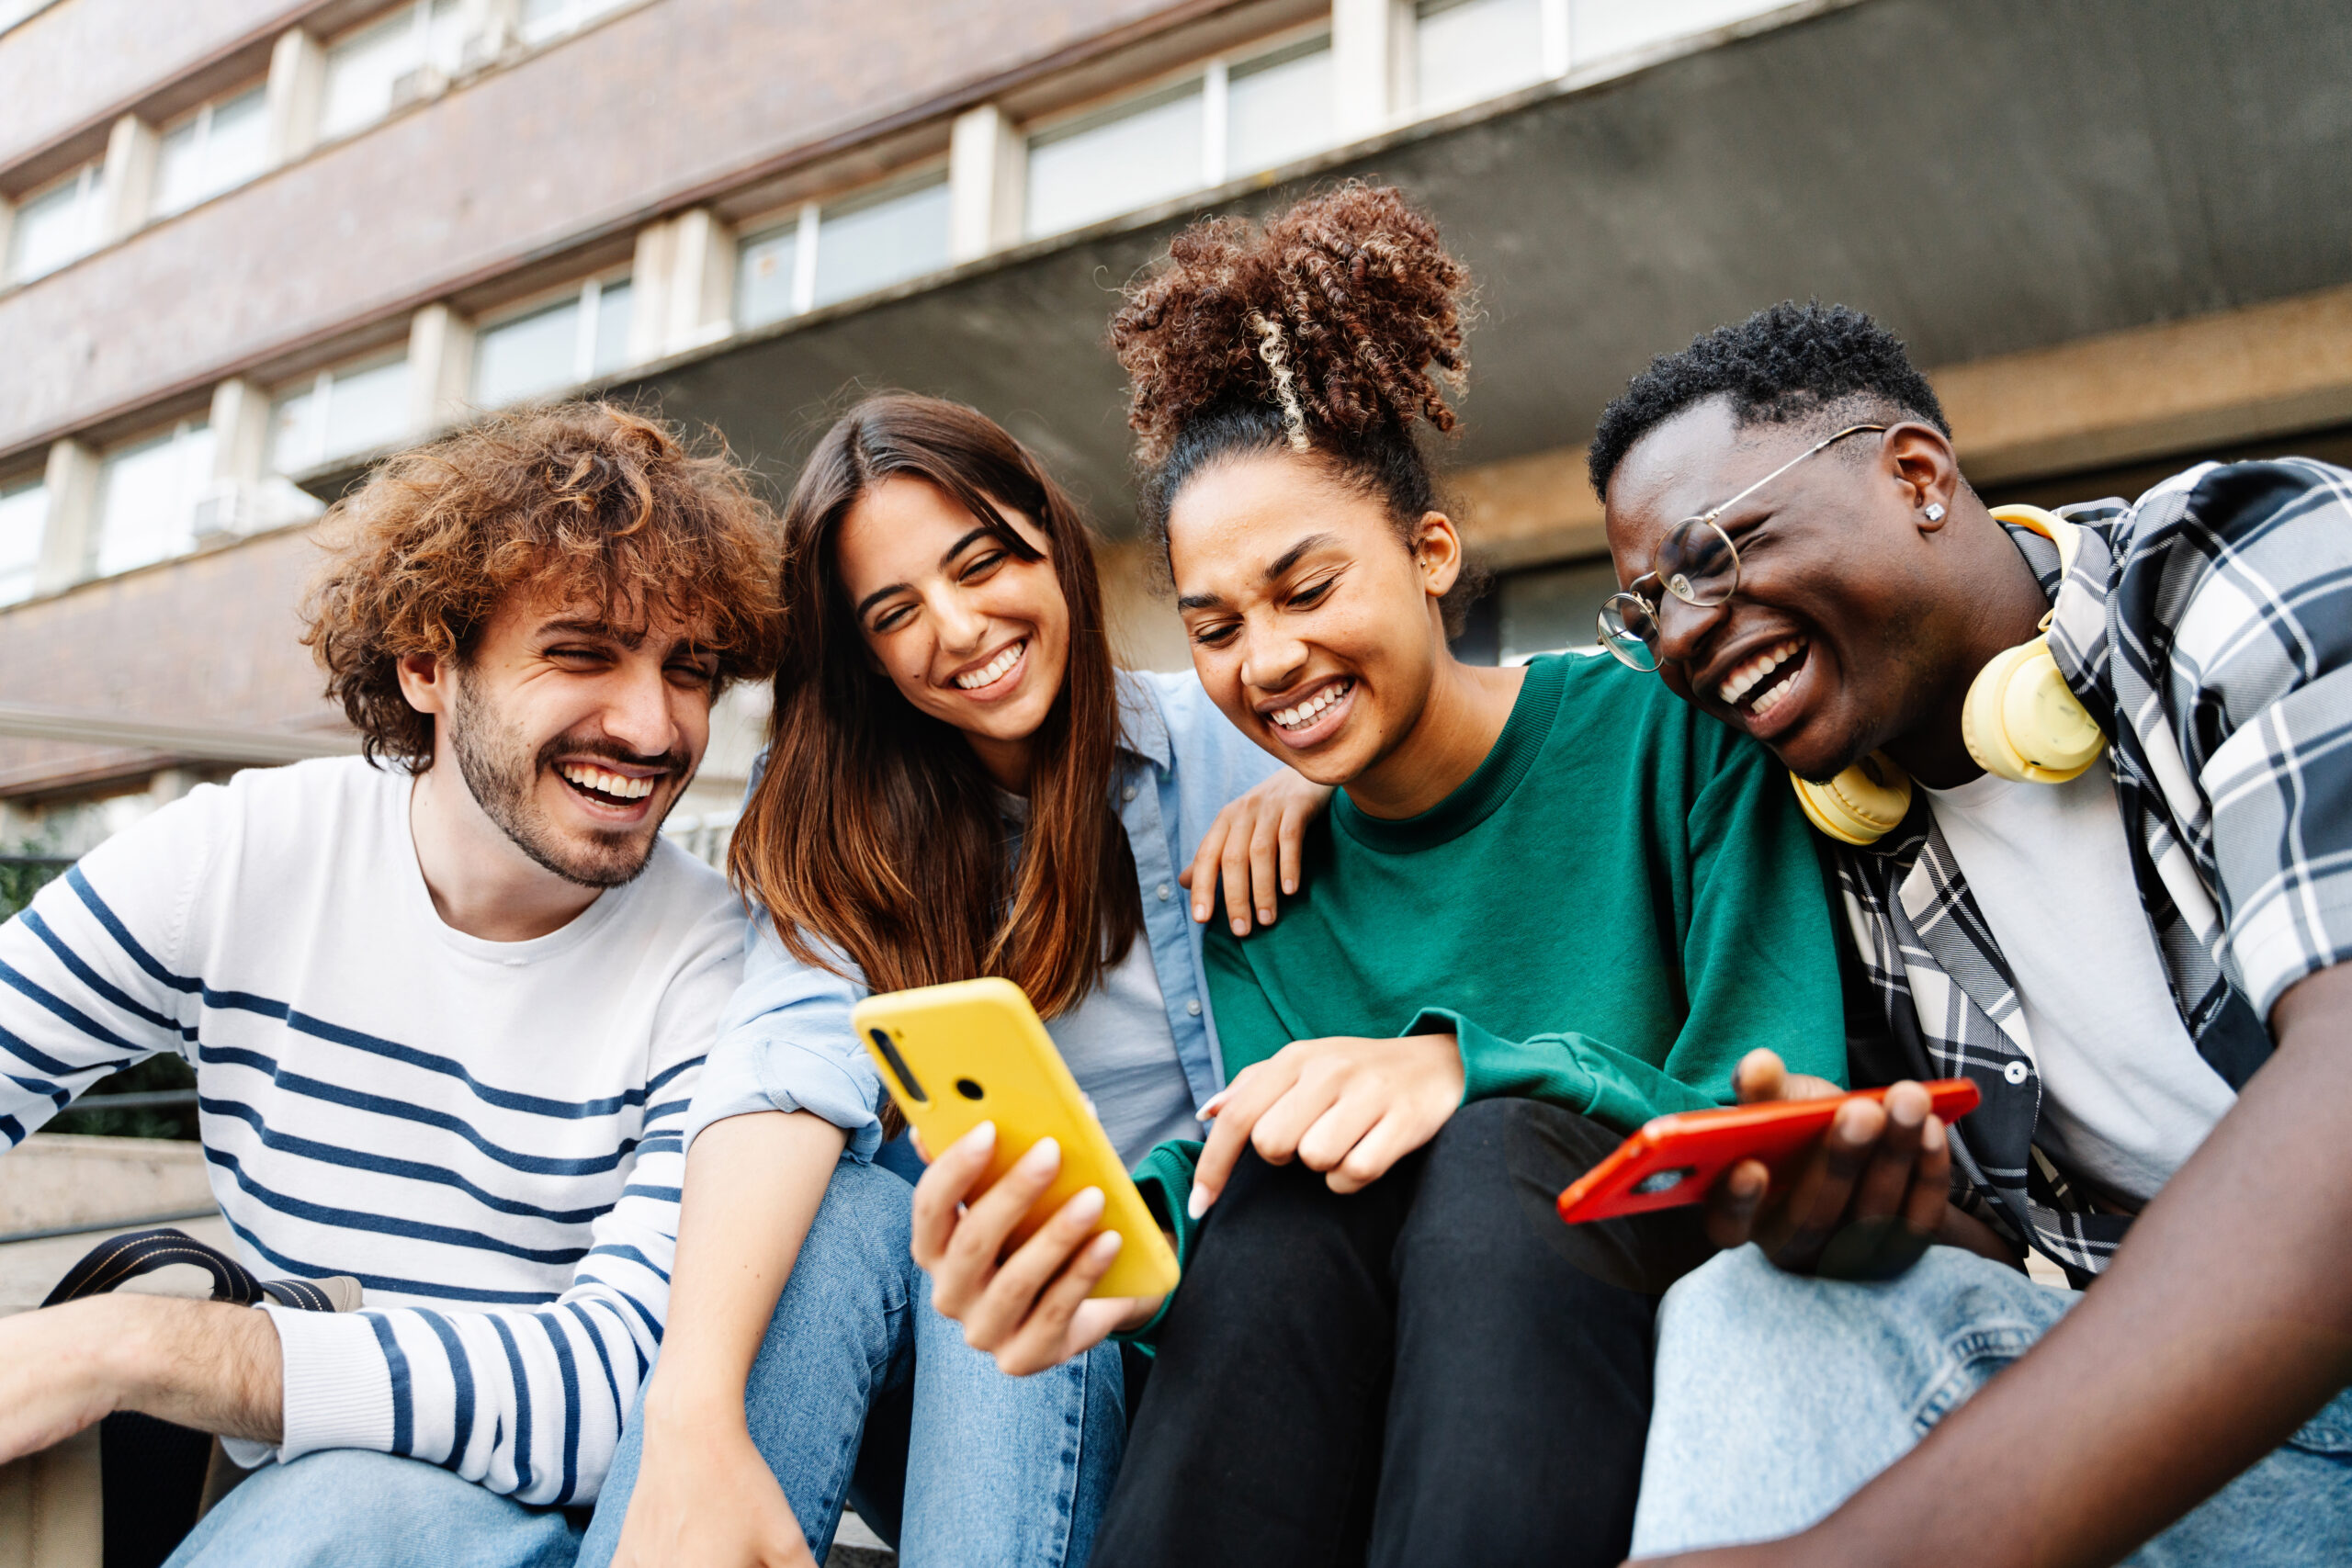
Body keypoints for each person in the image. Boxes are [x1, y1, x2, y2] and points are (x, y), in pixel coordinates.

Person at [909, 185, 1852, 1568]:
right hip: (1398, 1396)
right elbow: (1278, 1221)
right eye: (1216, 625)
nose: (1267, 660)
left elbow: (1777, 1103)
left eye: (1306, 589)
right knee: (1282, 1199)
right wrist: (1109, 1240)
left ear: (1429, 555)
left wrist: (1468, 1072)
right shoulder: (1262, 887)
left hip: (1667, 1316)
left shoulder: (1669, 727)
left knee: (1486, 1152)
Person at [1589, 301, 2352, 1567]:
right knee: (1758, 1300)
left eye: (1711, 554)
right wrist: (1874, 1218)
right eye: (1647, 608)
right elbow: (2027, 1246)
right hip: (2225, 1437)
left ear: (1915, 477)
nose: (1677, 636)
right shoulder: (1844, 822)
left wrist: (1871, 1551)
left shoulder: (2246, 557)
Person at [0, 403, 781, 1566]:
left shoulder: (715, 967)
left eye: (691, 671)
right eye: (581, 653)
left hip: (549, 1523)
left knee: (347, 1505)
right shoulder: (244, 855)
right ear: (427, 662)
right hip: (285, 1499)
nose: (654, 726)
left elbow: (624, 1390)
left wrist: (130, 1347)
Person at [578, 393, 1322, 1568]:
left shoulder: (1241, 732)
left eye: (981, 563)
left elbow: (1509, 711)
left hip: (1203, 1356)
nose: (961, 629)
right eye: (895, 612)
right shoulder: (850, 821)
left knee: (1019, 1211)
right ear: (864, 653)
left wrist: (1336, 775)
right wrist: (689, 1411)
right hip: (982, 1386)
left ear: (1046, 532)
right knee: (883, 1200)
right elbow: (781, 1069)